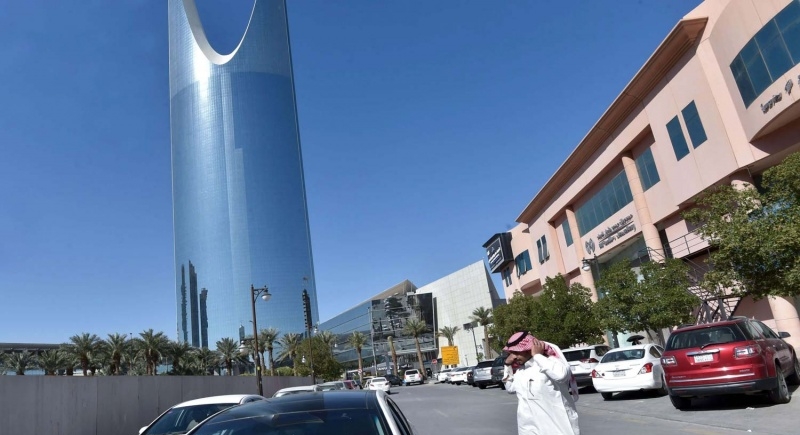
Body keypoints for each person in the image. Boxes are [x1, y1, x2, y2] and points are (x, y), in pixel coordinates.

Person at [502, 331, 580, 435]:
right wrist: (507, 365)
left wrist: (537, 356)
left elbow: (561, 375)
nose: (513, 357)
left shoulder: (551, 362)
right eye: (511, 353)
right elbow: (510, 388)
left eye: (516, 352)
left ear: (528, 349)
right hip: (529, 429)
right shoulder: (521, 372)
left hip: (557, 428)